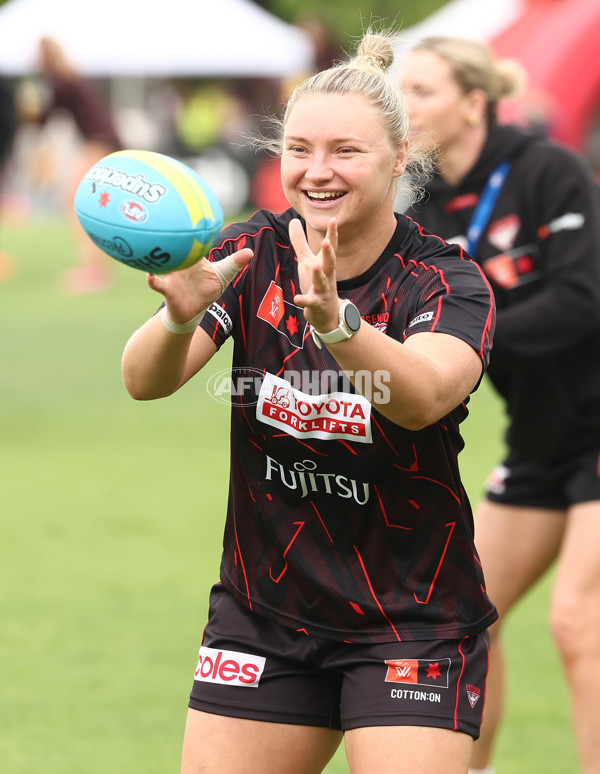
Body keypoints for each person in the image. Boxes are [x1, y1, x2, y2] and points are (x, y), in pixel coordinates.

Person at [122, 28, 498, 774]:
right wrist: (177, 315)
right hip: (263, 616)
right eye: (299, 149)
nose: (316, 172)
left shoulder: (444, 281)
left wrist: (335, 322)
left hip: (411, 620)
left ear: (399, 159)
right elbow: (145, 379)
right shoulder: (251, 252)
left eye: (345, 152)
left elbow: (420, 397)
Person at [400, 36, 600, 774]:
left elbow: (582, 301)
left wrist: (466, 344)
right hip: (541, 440)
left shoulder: (548, 169)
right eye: (402, 93)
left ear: (474, 102)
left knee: (579, 624)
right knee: (463, 617)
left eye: (423, 91)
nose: (406, 107)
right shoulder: (420, 207)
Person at [19, 37, 123, 294]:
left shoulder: (61, 82)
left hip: (99, 142)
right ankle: (96, 269)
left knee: (78, 202)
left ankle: (94, 271)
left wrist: (28, 111)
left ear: (45, 56)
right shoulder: (70, 78)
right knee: (91, 203)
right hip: (103, 140)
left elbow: (44, 118)